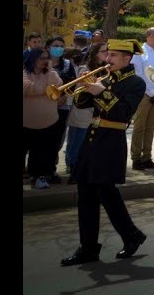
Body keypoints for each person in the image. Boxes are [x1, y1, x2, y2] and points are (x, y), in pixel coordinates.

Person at [60, 39, 148, 266]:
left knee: (106, 193)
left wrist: (102, 92)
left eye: (113, 57)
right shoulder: (105, 77)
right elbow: (81, 105)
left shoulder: (135, 83)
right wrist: (85, 87)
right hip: (93, 139)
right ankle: (90, 247)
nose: (107, 60)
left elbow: (122, 113)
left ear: (127, 59)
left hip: (111, 141)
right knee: (88, 194)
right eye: (107, 55)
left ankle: (130, 236)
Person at [66, 44, 108, 181]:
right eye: (104, 51)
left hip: (95, 111)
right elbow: (84, 90)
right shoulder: (85, 69)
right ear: (95, 53)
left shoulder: (105, 70)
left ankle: (81, 168)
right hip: (82, 109)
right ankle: (73, 168)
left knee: (87, 142)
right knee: (77, 141)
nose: (107, 53)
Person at [130, 27, 154, 171]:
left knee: (150, 128)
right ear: (151, 36)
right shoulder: (140, 52)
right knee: (139, 127)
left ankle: (147, 157)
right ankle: (136, 158)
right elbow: (138, 75)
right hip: (145, 94)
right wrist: (152, 93)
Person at [23, 49, 63, 189]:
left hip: (49, 122)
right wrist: (47, 89)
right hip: (26, 123)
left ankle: (39, 177)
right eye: (41, 58)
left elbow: (58, 87)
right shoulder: (24, 72)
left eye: (47, 58)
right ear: (33, 58)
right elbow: (28, 88)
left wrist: (51, 72)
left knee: (43, 153)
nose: (45, 61)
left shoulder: (51, 73)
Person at [47, 36, 77, 183]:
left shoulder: (67, 64)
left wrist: (63, 97)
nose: (58, 48)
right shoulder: (41, 63)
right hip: (43, 106)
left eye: (61, 46)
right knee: (43, 140)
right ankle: (38, 171)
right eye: (55, 45)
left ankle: (51, 170)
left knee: (57, 140)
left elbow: (72, 83)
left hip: (61, 106)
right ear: (48, 47)